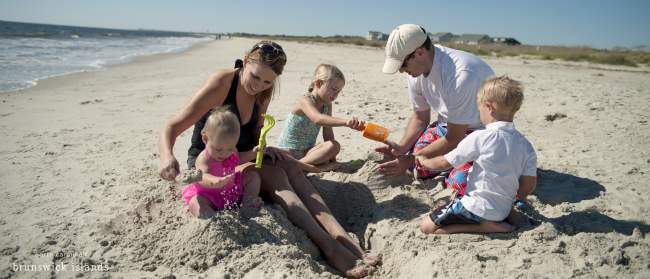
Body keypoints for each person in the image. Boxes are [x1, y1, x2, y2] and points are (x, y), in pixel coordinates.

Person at [158, 41, 376, 277]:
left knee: (289, 165)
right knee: (277, 175)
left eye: (267, 82)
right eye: (255, 77)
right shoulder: (222, 83)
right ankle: (330, 248)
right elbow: (171, 126)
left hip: (242, 158)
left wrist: (265, 149)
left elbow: (253, 140)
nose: (258, 85)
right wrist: (167, 157)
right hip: (212, 165)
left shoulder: (263, 93)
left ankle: (343, 238)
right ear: (245, 60)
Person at [377, 23, 495, 197]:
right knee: (421, 169)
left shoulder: (461, 75)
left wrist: (412, 158)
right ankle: (446, 166)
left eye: (402, 64)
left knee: (459, 183)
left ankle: (461, 169)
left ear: (420, 53)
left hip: (480, 134)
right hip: (448, 127)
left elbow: (455, 138)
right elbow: (419, 117)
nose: (401, 71)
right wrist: (402, 148)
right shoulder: (416, 72)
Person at [417, 76, 537, 234]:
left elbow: (444, 164)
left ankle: (482, 227)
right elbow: (528, 186)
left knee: (427, 227)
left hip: (474, 207)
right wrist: (515, 199)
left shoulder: (480, 137)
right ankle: (505, 216)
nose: (479, 114)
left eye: (479, 109)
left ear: (489, 107)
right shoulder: (526, 146)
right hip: (502, 209)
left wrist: (425, 161)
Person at [276, 63, 365, 172]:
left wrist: (332, 160)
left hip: (307, 153)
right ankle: (307, 168)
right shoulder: (305, 100)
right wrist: (346, 122)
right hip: (288, 152)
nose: (336, 94)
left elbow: (328, 133)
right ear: (318, 83)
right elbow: (317, 118)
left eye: (339, 91)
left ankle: (302, 165)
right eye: (333, 89)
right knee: (326, 153)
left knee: (334, 145)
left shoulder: (327, 105)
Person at [181, 107, 262, 218]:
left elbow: (238, 158)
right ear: (205, 139)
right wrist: (215, 181)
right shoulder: (203, 158)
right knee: (195, 203)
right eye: (218, 149)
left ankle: (247, 203)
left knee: (253, 177)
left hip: (231, 190)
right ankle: (212, 218)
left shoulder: (231, 151)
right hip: (209, 195)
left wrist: (252, 153)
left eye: (229, 148)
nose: (224, 154)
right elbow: (202, 176)